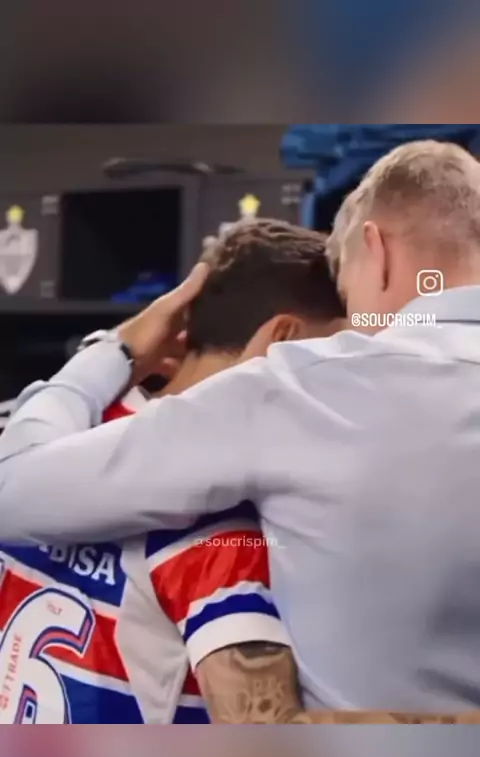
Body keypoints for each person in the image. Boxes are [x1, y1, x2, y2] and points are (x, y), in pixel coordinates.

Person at [3, 140, 480, 715]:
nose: (365, 333)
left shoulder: (298, 390)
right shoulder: (227, 517)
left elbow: (14, 487)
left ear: (376, 251)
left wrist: (111, 350)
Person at [0, 219, 348, 724]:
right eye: (343, 351)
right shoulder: (221, 520)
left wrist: (114, 349)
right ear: (284, 340)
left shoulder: (47, 431)